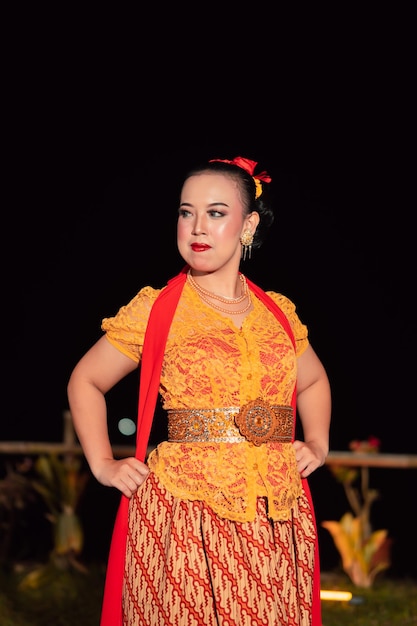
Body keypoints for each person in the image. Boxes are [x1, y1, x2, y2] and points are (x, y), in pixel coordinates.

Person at [67, 155, 331, 626]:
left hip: (275, 515)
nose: (196, 227)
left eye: (215, 212)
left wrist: (318, 442)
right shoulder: (157, 309)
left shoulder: (278, 314)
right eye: (186, 212)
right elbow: (86, 380)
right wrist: (103, 463)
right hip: (185, 513)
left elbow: (311, 380)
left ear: (248, 224)